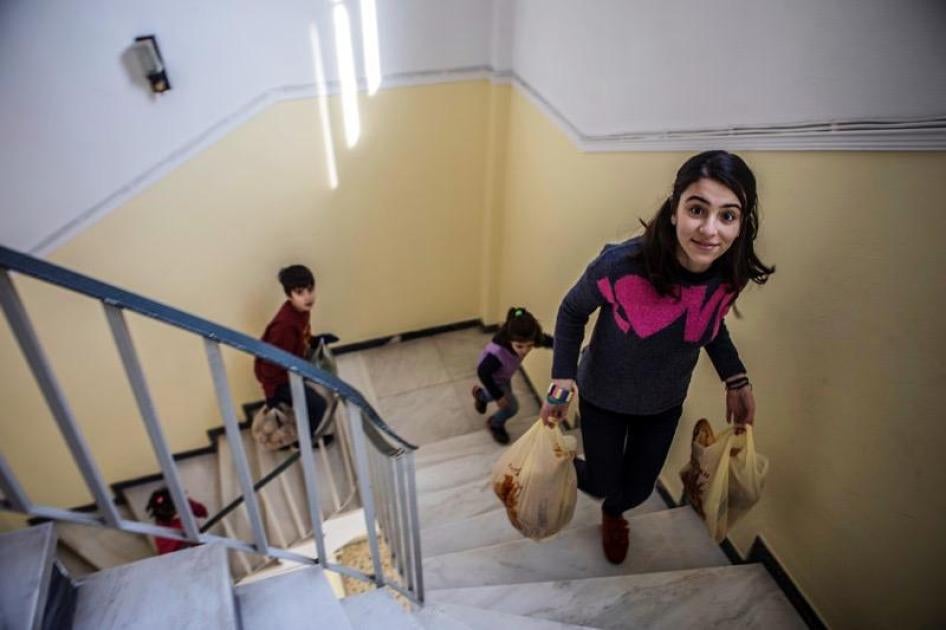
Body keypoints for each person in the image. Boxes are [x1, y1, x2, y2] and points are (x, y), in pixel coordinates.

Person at [541, 150, 774, 564]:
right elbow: (572, 311)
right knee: (601, 480)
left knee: (639, 489)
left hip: (663, 404)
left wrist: (735, 378)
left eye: (727, 216)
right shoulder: (620, 265)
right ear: (674, 210)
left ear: (741, 224)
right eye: (697, 209)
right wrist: (563, 376)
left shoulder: (727, 274)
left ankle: (615, 513)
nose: (709, 230)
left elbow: (709, 324)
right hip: (603, 396)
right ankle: (560, 467)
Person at [254, 264, 332, 445]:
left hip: (291, 369)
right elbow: (268, 363)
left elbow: (301, 336)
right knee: (319, 405)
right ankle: (303, 442)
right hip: (279, 379)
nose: (307, 297)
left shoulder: (301, 311)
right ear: (289, 296)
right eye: (300, 292)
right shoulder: (285, 326)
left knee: (312, 392)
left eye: (310, 289)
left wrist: (314, 340)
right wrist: (270, 395)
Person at [473, 307, 553, 444]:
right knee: (510, 408)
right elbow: (483, 372)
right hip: (495, 377)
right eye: (519, 346)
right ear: (510, 340)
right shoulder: (497, 354)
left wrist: (564, 345)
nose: (525, 351)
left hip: (503, 374)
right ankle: (494, 424)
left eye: (529, 346)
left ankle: (480, 395)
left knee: (492, 394)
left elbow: (545, 340)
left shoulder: (526, 336)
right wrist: (498, 396)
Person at [146, 487, 208, 555]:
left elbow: (203, 512)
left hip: (200, 548)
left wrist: (189, 503)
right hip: (184, 557)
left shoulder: (185, 505)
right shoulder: (162, 531)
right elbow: (168, 555)